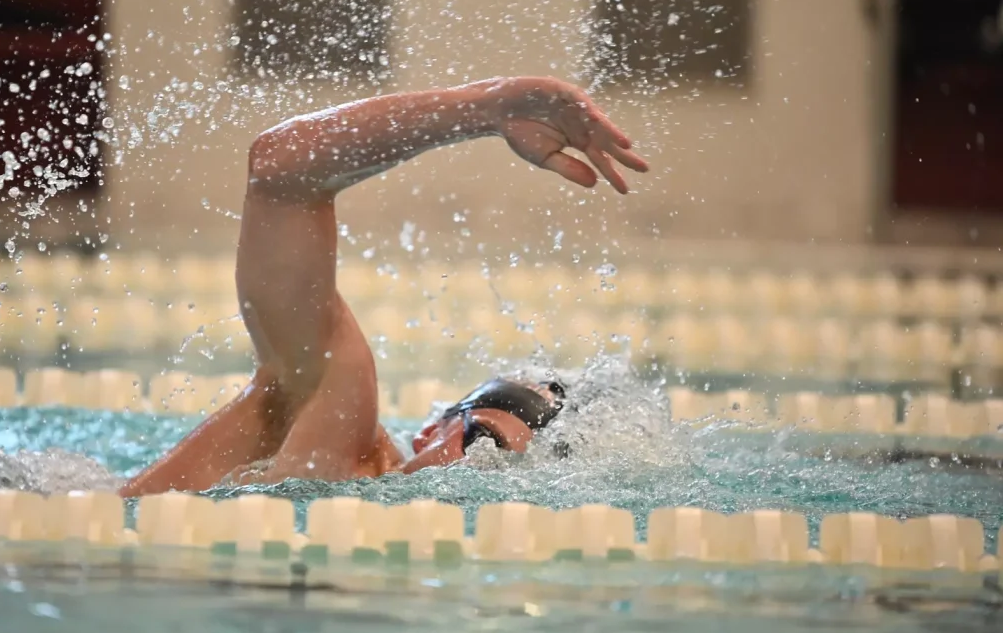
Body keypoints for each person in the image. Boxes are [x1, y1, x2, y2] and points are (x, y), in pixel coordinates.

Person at [119, 76, 648, 497]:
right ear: (429, 432)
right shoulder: (339, 418)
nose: (486, 479)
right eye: (483, 442)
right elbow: (280, 167)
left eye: (515, 474)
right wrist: (489, 107)